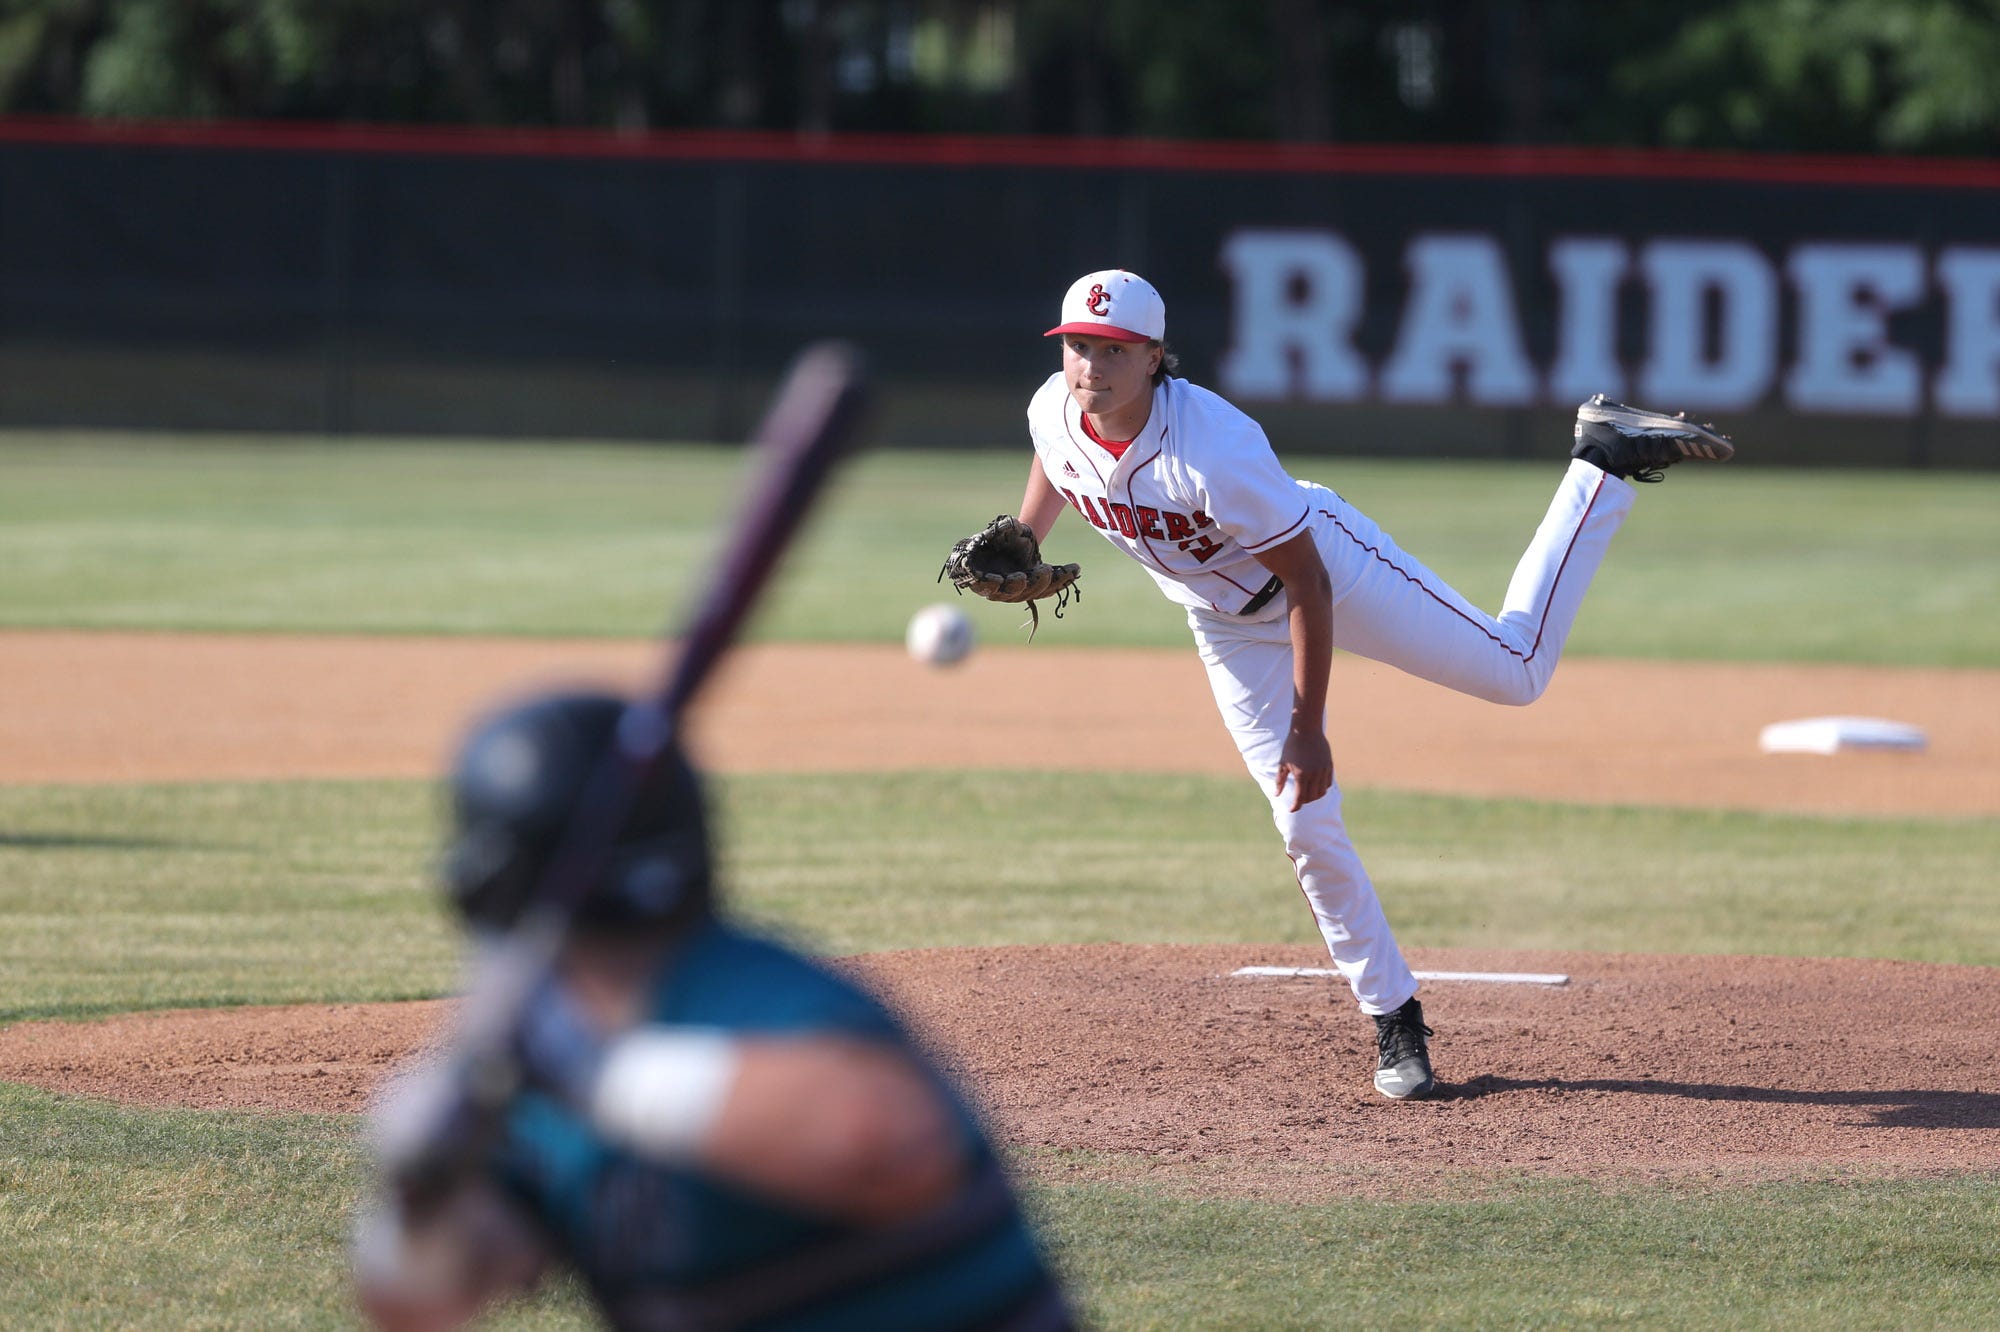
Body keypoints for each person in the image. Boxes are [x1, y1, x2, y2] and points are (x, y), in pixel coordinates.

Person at [1004, 268, 1734, 1101]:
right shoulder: (1052, 408)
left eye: (1114, 350)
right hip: (1224, 623)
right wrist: (1025, 540)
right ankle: (1394, 1018)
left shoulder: (1212, 447)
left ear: (1154, 356)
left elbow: (1308, 584)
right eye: (1079, 346)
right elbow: (1056, 457)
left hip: (1328, 570)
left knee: (1518, 670)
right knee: (1301, 822)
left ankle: (1601, 461)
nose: (1091, 366)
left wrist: (1308, 726)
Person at [350, 689, 1073, 1331]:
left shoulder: (746, 991)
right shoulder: (537, 1068)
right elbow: (420, 1305)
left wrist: (587, 1074)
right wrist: (418, 1196)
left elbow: (889, 1144)